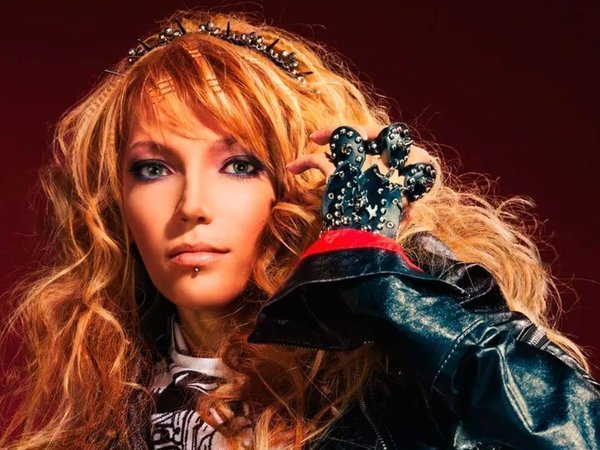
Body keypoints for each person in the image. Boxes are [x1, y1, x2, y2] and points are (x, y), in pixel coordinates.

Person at [1, 8, 598, 450]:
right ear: (115, 205)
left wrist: (373, 269)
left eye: (240, 165)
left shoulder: (396, 378)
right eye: (153, 169)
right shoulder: (109, 418)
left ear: (299, 185)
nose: (192, 205)